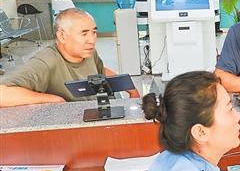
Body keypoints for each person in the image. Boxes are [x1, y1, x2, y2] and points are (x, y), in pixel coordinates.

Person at [0, 8, 137, 107]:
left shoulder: (88, 51)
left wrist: (132, 90)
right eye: (84, 34)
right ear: (62, 36)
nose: (92, 40)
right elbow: (3, 94)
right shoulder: (47, 61)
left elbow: (101, 72)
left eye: (94, 32)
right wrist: (54, 100)